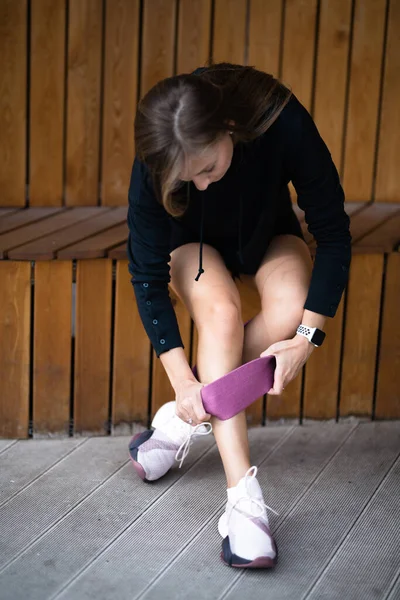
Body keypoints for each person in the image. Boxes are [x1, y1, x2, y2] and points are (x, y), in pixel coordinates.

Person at [127, 62, 351, 569]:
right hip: (195, 247)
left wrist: (305, 338)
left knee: (293, 310)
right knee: (222, 317)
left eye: (207, 168)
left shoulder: (281, 118)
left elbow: (334, 232)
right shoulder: (156, 159)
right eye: (188, 179)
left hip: (271, 233)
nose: (202, 185)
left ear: (228, 128)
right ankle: (242, 501)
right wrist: (182, 379)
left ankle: (184, 420)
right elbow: (146, 274)